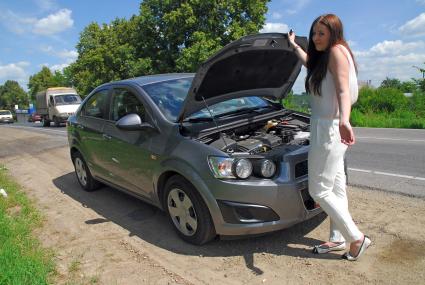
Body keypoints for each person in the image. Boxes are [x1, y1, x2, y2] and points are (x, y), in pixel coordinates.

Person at [288, 14, 371, 261]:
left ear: (334, 33)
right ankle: (338, 238)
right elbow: (309, 63)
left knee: (318, 190)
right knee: (335, 185)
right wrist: (294, 46)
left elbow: (344, 90)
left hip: (329, 128)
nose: (315, 38)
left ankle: (356, 238)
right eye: (314, 33)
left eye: (321, 33)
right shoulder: (328, 56)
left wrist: (345, 120)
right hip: (326, 126)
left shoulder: (336, 52)